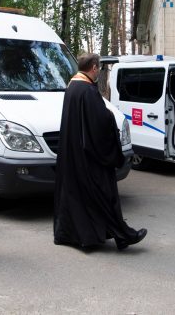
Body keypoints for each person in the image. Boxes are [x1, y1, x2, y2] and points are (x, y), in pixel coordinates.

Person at [54, 53, 147, 250]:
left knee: (81, 199)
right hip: (90, 158)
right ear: (94, 68)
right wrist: (110, 118)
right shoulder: (88, 90)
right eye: (98, 69)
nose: (98, 73)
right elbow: (99, 124)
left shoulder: (71, 87)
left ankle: (84, 236)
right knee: (104, 195)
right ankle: (123, 235)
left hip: (75, 155)